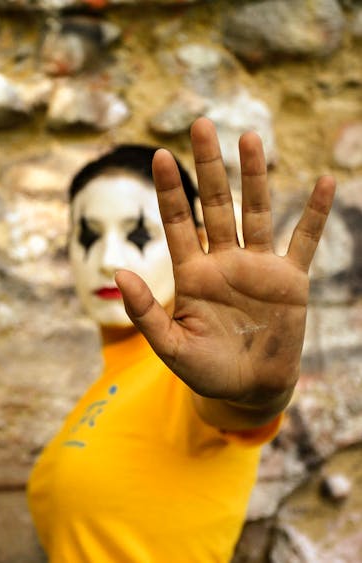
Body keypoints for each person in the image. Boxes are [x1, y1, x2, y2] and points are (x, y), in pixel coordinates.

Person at [27, 119, 336, 561]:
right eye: (89, 236)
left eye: (138, 235)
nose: (109, 260)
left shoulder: (192, 369)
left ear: (197, 242)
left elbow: (231, 404)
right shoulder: (116, 377)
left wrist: (255, 392)